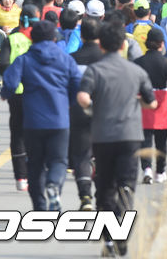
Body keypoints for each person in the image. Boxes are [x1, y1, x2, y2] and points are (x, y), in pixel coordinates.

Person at [77, 19, 157, 257]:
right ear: (123, 45)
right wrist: (137, 102)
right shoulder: (137, 71)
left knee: (105, 188)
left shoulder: (95, 70)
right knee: (126, 186)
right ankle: (122, 232)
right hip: (130, 137)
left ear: (101, 45)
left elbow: (82, 97)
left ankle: (109, 241)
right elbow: (152, 102)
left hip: (103, 137)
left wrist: (93, 108)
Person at [1, 20, 81, 212]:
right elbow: (77, 84)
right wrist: (68, 103)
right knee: (58, 161)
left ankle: (40, 207)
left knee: (35, 164)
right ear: (54, 38)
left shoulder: (24, 60)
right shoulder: (65, 59)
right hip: (59, 120)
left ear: (32, 38)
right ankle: (53, 184)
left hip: (33, 121)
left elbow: (10, 83)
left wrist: (5, 94)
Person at [0, 3, 41, 191]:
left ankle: (21, 177)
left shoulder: (12, 39)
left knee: (18, 133)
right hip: (38, 93)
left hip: (17, 94)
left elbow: (2, 62)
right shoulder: (42, 40)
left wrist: (10, 80)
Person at [135, 28, 167, 184]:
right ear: (162, 44)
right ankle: (160, 171)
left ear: (147, 43)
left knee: (145, 138)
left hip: (145, 101)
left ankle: (147, 169)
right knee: (161, 140)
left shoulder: (138, 62)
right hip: (162, 102)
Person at [70, 17, 103, 211]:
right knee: (102, 154)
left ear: (81, 36)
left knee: (81, 155)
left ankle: (85, 196)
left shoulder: (72, 59)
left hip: (78, 111)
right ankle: (101, 194)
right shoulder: (107, 58)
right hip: (104, 112)